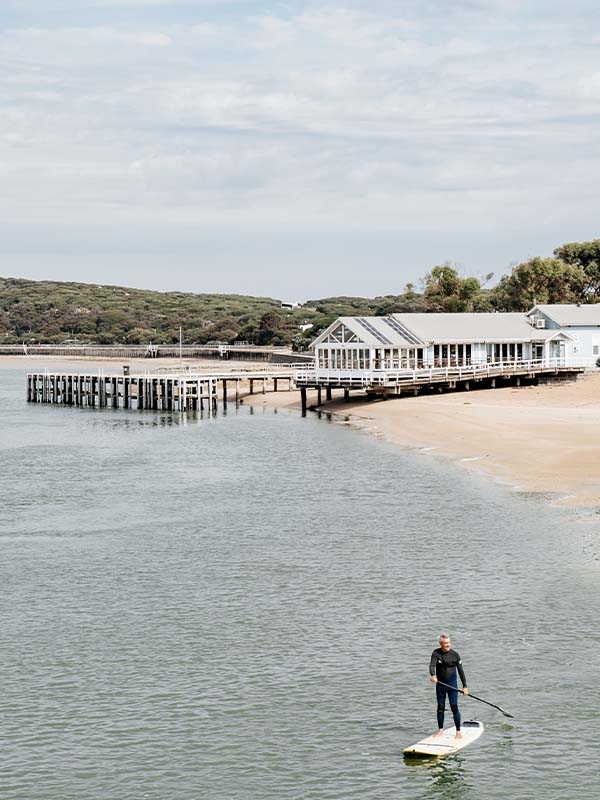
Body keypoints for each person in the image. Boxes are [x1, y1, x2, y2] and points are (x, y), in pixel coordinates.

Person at [429, 633, 468, 738]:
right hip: (440, 685)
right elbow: (432, 665)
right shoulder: (436, 653)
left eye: (449, 643)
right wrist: (433, 675)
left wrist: (465, 686)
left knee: (454, 707)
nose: (448, 645)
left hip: (452, 686)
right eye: (445, 643)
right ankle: (440, 730)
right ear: (441, 644)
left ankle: (458, 732)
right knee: (440, 708)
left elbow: (461, 671)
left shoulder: (455, 655)